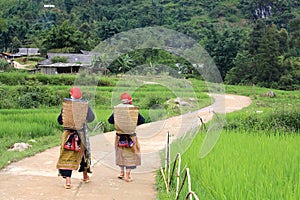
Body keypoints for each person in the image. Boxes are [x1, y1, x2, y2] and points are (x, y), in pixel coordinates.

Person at [56, 87, 95, 189]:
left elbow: (60, 120)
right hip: (81, 134)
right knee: (83, 155)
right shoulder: (84, 105)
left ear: (70, 94)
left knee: (67, 155)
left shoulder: (66, 106)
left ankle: (68, 181)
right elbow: (91, 118)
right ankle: (85, 176)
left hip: (68, 134)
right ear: (81, 95)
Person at [108, 93, 145, 182]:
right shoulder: (133, 110)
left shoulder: (117, 110)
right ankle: (127, 176)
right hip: (131, 137)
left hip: (119, 136)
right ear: (130, 101)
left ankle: (121, 172)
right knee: (131, 155)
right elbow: (142, 120)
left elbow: (110, 120)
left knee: (121, 154)